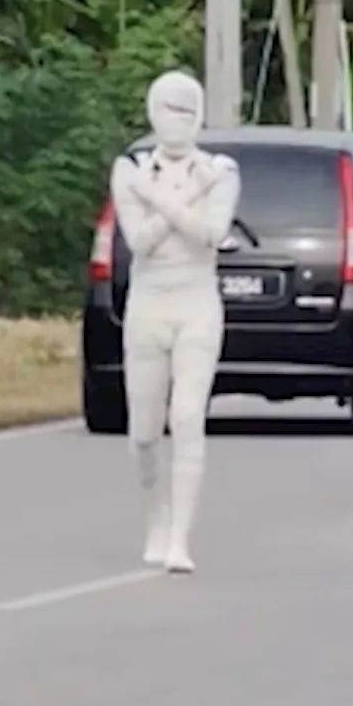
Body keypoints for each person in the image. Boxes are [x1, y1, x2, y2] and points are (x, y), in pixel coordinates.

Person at [108, 70, 241, 574]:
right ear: (151, 112)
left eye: (187, 111)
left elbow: (211, 233)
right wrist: (183, 197)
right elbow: (139, 241)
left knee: (187, 416)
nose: (177, 120)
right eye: (168, 109)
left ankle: (181, 538)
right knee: (144, 431)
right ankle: (156, 519)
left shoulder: (221, 170)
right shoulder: (130, 169)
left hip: (197, 305)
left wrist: (161, 198)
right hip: (147, 307)